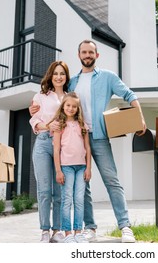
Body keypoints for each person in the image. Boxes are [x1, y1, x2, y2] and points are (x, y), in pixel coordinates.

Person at [30, 40, 146, 243]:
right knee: (83, 186)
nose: (87, 55)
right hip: (74, 138)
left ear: (97, 55)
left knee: (112, 180)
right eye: (84, 52)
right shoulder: (72, 83)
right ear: (79, 55)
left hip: (99, 136)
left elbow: (129, 94)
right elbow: (56, 105)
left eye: (91, 52)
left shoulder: (108, 77)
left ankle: (125, 226)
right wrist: (34, 111)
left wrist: (140, 117)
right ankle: (90, 227)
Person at [29, 61, 70, 243]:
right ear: (50, 76)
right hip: (44, 142)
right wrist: (48, 125)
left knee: (60, 191)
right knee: (44, 190)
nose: (59, 77)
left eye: (62, 74)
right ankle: (45, 231)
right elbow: (34, 120)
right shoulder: (40, 96)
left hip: (63, 145)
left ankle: (58, 231)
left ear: (66, 77)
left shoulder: (70, 98)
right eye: (56, 73)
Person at [51, 92, 92, 243]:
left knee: (79, 199)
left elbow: (87, 147)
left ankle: (78, 232)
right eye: (68, 105)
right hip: (66, 167)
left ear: (78, 108)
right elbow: (56, 150)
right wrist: (58, 171)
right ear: (63, 106)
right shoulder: (59, 125)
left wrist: (89, 168)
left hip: (81, 167)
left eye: (74, 106)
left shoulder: (82, 125)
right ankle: (67, 233)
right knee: (67, 199)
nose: (71, 108)